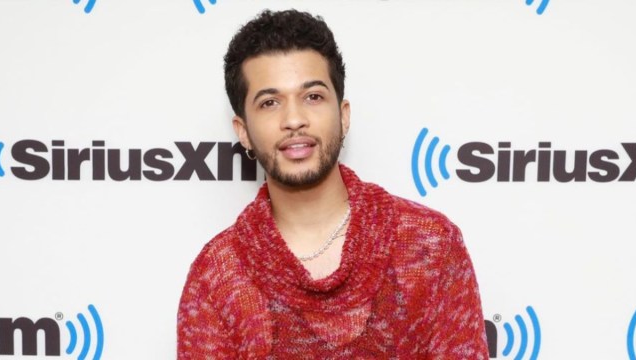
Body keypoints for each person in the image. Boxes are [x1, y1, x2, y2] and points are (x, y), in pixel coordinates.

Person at [178, 9, 489, 359]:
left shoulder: (429, 245)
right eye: (269, 103)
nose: (294, 119)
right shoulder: (216, 277)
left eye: (312, 96)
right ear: (243, 132)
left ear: (343, 116)